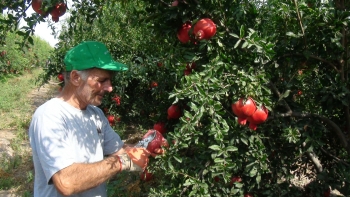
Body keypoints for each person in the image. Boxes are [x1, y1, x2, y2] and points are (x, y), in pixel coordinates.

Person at [29, 41, 156, 197]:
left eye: (109, 80)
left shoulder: (95, 114)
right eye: (102, 80)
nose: (110, 88)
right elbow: (66, 182)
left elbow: (122, 151)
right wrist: (120, 162)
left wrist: (148, 144)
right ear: (76, 77)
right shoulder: (50, 116)